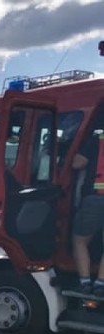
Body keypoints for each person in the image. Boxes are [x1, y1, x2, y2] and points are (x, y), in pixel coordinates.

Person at [72, 113, 104, 296]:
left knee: (80, 239)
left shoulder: (97, 140)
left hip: (96, 198)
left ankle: (85, 282)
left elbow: (77, 163)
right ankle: (101, 283)